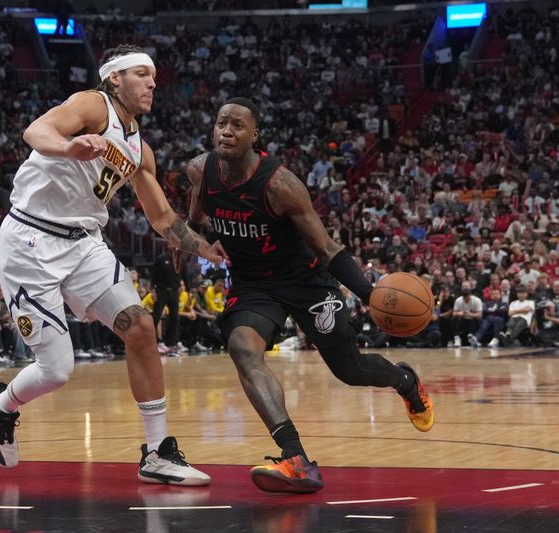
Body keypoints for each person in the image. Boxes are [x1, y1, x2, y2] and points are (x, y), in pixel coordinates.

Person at [0, 44, 227, 486]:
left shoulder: (140, 149)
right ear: (115, 77)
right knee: (56, 371)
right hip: (30, 240)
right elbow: (35, 132)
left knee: (140, 327)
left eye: (154, 76)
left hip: (83, 245)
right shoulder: (91, 104)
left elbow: (161, 218)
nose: (152, 83)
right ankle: (4, 404)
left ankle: (157, 452)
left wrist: (203, 247)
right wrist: (68, 146)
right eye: (141, 74)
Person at [182, 98, 434, 494]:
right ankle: (295, 457)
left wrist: (369, 293)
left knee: (349, 371)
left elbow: (327, 249)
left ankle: (405, 380)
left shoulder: (281, 185)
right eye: (220, 123)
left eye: (237, 125)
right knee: (243, 349)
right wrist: (191, 245)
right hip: (253, 285)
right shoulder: (200, 170)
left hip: (306, 281)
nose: (226, 131)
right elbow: (197, 218)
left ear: (255, 136)